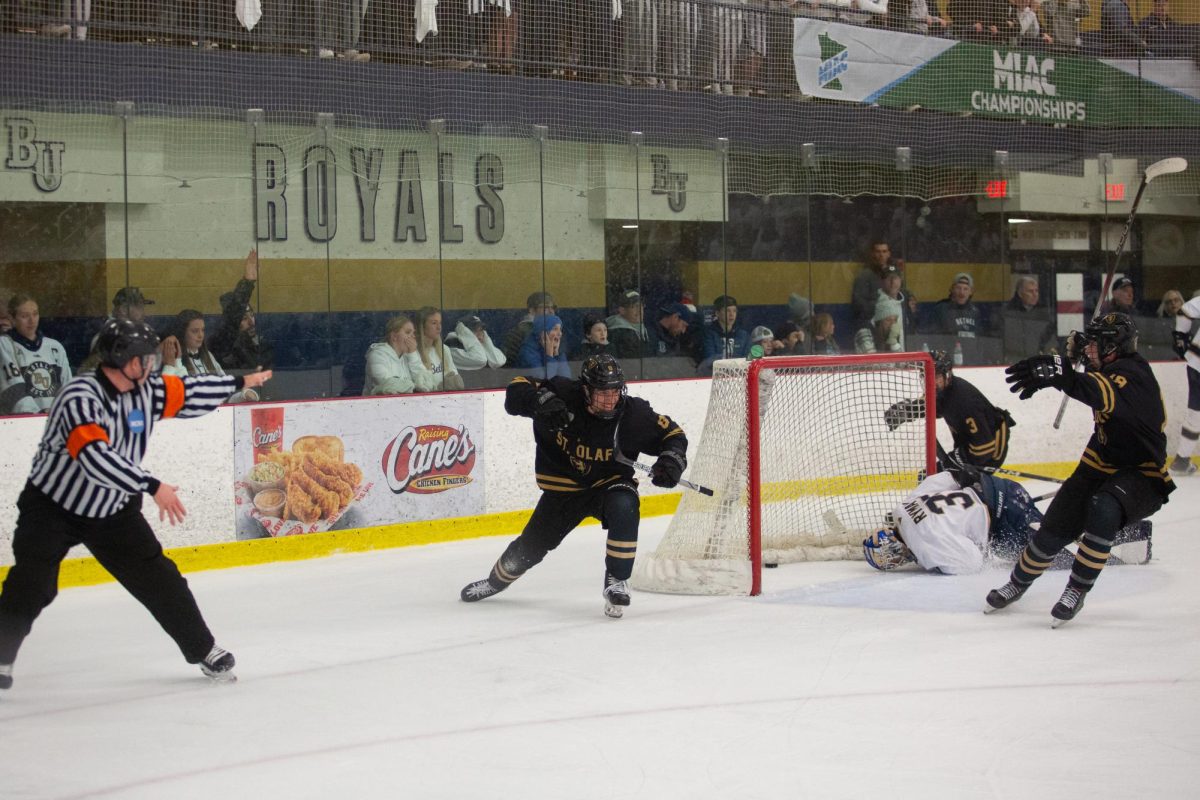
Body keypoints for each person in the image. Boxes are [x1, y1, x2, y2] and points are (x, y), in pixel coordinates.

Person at [0, 319, 273, 690]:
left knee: (160, 580)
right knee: (34, 583)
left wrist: (239, 383)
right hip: (53, 505)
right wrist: (151, 484)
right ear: (119, 359)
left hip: (112, 508)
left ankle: (204, 649)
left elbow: (190, 391)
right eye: (143, 358)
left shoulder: (147, 390)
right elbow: (94, 457)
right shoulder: (80, 396)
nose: (151, 365)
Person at [460, 354, 689, 618]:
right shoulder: (563, 393)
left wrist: (671, 461)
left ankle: (616, 581)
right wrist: (539, 401)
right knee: (529, 548)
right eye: (602, 392)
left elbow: (673, 434)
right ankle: (494, 582)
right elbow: (515, 390)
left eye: (615, 391)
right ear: (585, 389)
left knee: (625, 506)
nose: (610, 399)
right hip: (563, 491)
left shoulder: (633, 414)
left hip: (609, 484)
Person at [986, 313, 1174, 625]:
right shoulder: (1109, 364)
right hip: (1098, 464)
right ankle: (1017, 583)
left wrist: (1062, 371)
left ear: (1113, 347)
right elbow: (1091, 378)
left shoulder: (1134, 374)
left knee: (1104, 508)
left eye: (1097, 343)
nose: (1090, 349)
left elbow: (1097, 392)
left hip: (1141, 474)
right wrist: (1075, 357)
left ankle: (1076, 589)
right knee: (1053, 530)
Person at [863, 467, 1152, 575]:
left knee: (1053, 553)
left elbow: (973, 563)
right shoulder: (905, 507)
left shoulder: (927, 548)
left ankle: (1126, 542)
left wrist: (934, 563)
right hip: (999, 489)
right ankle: (1121, 534)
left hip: (1007, 520)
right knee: (1056, 530)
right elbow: (948, 477)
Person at [885, 350, 1015, 470]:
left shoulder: (964, 400)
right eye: (925, 376)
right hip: (970, 448)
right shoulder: (942, 391)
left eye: (935, 376)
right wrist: (908, 410)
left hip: (989, 455)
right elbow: (933, 406)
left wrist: (954, 461)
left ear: (947, 375)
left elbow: (984, 450)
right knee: (931, 478)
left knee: (933, 480)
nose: (929, 381)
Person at [161, 310, 257, 403]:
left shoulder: (208, 355)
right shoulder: (174, 358)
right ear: (183, 333)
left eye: (203, 330)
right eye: (195, 331)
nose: (201, 335)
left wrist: (243, 395)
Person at [0, 293, 72, 415]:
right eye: (24, 316)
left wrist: (63, 411)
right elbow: (13, 390)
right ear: (12, 319)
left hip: (54, 420)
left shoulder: (55, 347)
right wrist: (38, 414)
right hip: (22, 424)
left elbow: (68, 387)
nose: (31, 320)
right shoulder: (4, 344)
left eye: (35, 314)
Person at [210, 250, 273, 371]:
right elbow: (232, 318)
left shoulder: (257, 344)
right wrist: (247, 283)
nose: (251, 321)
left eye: (251, 314)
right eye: (244, 318)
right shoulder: (221, 343)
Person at [363, 314, 438, 395]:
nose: (413, 336)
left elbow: (427, 384)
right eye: (408, 332)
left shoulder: (409, 355)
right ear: (394, 336)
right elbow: (387, 386)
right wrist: (414, 386)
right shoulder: (377, 355)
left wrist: (413, 354)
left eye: (413, 333)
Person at [1170, 294, 1200, 475]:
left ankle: (1182, 459)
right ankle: (1181, 459)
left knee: (1195, 412)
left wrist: (1181, 335)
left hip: (1196, 363)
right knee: (1195, 412)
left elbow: (1185, 311)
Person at [1000, 274, 1057, 360]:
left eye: (1036, 291)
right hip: (1013, 360)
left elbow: (1050, 341)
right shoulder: (1007, 313)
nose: (1035, 294)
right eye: (1030, 291)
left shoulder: (1045, 314)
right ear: (1020, 293)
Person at [415, 306, 465, 390]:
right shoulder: (414, 353)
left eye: (440, 323)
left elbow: (455, 378)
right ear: (422, 326)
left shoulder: (444, 349)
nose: (439, 327)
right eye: (434, 323)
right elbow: (420, 385)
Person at [851, 240, 896, 331]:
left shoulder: (895, 273)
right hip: (872, 325)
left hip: (894, 323)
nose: (881, 255)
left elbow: (902, 293)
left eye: (884, 251)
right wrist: (878, 309)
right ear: (872, 254)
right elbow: (858, 303)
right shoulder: (864, 275)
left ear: (889, 254)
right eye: (878, 252)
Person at [502, 291, 556, 365]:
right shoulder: (519, 332)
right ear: (532, 310)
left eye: (553, 307)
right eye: (545, 307)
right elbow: (509, 363)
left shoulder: (555, 331)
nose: (551, 311)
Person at [930, 272, 981, 348]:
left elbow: (979, 340)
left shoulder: (975, 312)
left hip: (971, 356)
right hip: (949, 355)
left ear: (971, 292)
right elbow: (934, 338)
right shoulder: (941, 309)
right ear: (952, 289)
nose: (962, 293)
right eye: (958, 288)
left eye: (965, 289)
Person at [516, 313, 571, 378]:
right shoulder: (527, 352)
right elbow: (543, 381)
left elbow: (566, 377)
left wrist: (556, 353)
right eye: (555, 329)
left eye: (560, 329)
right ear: (542, 333)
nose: (560, 333)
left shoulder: (557, 350)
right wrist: (549, 355)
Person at [701, 295, 751, 363]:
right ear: (717, 313)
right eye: (727, 311)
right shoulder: (709, 334)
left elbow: (747, 359)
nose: (732, 314)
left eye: (734, 311)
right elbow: (710, 359)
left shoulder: (743, 335)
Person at [606, 290, 652, 359]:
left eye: (641, 305)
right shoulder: (618, 333)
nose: (639, 310)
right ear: (622, 310)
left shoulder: (645, 330)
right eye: (634, 306)